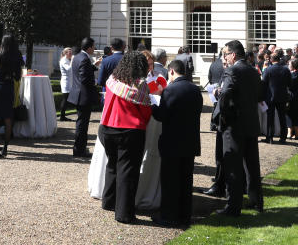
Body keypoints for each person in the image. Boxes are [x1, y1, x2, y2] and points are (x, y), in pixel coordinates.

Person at [98, 51, 152, 224]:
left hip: (107, 127)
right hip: (129, 130)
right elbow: (145, 112)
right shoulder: (140, 85)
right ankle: (124, 213)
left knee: (112, 165)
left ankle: (108, 201)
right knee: (128, 172)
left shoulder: (112, 80)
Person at [151, 59, 202, 228]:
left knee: (170, 181)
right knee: (186, 181)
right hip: (190, 141)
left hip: (172, 142)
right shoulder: (195, 90)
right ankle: (184, 215)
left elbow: (161, 116)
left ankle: (169, 216)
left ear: (171, 71)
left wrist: (153, 105)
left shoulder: (170, 90)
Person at [215, 40, 263, 217]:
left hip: (234, 124)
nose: (224, 58)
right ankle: (256, 201)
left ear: (233, 54)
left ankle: (233, 206)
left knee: (233, 166)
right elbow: (259, 94)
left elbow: (226, 93)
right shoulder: (252, 70)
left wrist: (222, 108)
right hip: (251, 122)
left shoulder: (232, 70)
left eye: (225, 54)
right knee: (252, 165)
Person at [0, 34, 24, 158]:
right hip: (9, 86)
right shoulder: (17, 54)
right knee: (8, 119)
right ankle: (6, 149)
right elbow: (18, 74)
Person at [69, 37, 96, 158]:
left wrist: (93, 67)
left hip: (78, 94)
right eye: (94, 46)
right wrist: (95, 84)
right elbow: (85, 78)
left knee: (81, 123)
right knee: (82, 124)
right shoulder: (84, 58)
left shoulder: (78, 56)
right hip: (83, 95)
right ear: (89, 47)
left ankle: (79, 148)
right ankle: (79, 149)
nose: (94, 48)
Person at [261, 53, 290, 143]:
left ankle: (270, 137)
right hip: (282, 97)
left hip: (271, 97)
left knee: (270, 118)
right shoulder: (286, 70)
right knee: (282, 117)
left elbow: (264, 83)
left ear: (271, 60)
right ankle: (283, 137)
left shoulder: (268, 69)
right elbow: (290, 83)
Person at [58, 47, 73, 121]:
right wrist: (72, 61)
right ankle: (62, 116)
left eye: (71, 52)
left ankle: (63, 116)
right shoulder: (64, 60)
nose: (71, 54)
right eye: (69, 53)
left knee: (66, 99)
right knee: (65, 99)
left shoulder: (67, 60)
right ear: (65, 53)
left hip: (69, 81)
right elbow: (68, 69)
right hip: (66, 82)